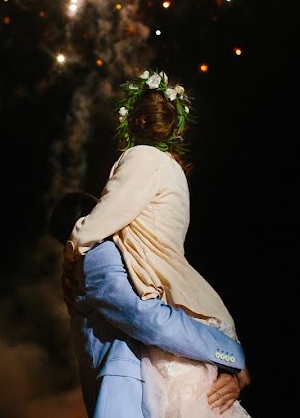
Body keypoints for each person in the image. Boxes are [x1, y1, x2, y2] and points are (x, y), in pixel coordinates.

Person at [66, 69, 253, 417]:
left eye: (109, 193)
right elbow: (147, 319)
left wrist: (75, 242)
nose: (109, 196)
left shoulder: (140, 165)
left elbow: (149, 320)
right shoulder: (106, 257)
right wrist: (230, 355)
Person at [49, 191, 249, 417]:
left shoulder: (89, 268)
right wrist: (230, 354)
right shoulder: (99, 254)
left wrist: (219, 374)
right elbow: (144, 318)